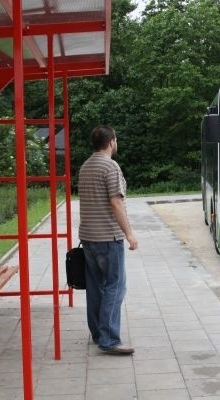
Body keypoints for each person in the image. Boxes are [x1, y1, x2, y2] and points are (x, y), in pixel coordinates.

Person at [78, 125, 138, 355]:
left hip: (88, 237)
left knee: (95, 287)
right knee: (115, 286)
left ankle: (98, 333)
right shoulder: (110, 166)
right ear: (112, 141)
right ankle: (110, 339)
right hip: (108, 237)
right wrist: (129, 234)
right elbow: (116, 202)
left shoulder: (86, 166)